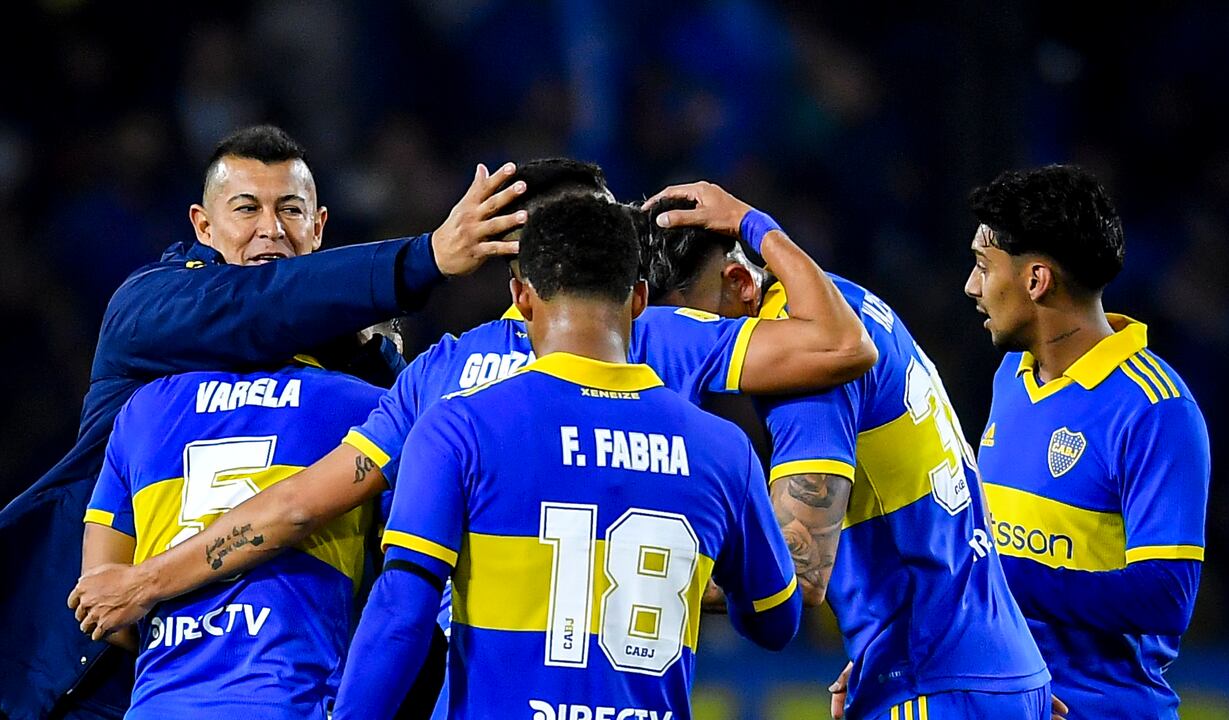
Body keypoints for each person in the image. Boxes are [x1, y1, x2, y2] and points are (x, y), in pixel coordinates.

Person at [67, 166, 872, 639]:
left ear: (515, 276)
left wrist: (149, 582)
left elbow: (295, 510)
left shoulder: (440, 377)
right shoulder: (661, 341)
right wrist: (752, 223)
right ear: (626, 275)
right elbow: (840, 344)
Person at [1, 124, 524, 719]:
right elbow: (258, 305)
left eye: (291, 210)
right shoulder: (148, 310)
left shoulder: (359, 370)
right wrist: (423, 258)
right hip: (88, 673)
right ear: (202, 226)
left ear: (319, 227)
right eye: (246, 208)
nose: (270, 229)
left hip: (261, 679)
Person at [334, 193, 801, 719]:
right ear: (641, 300)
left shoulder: (458, 428)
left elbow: (402, 613)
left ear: (522, 298)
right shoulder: (723, 450)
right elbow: (777, 620)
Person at [640, 182, 1053, 719]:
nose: (687, 361)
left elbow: (797, 571)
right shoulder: (845, 303)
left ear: (739, 282)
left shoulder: (808, 369)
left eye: (688, 328)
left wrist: (627, 574)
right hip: (976, 667)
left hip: (935, 681)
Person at [964, 165, 1210, 719]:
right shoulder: (1011, 377)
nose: (971, 287)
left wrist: (1003, 576)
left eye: (983, 266)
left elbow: (1166, 594)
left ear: (1036, 280)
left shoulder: (1155, 409)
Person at [82, 359, 385, 719]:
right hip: (284, 699)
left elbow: (101, 603)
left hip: (160, 704)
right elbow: (408, 591)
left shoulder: (143, 409)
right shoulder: (367, 406)